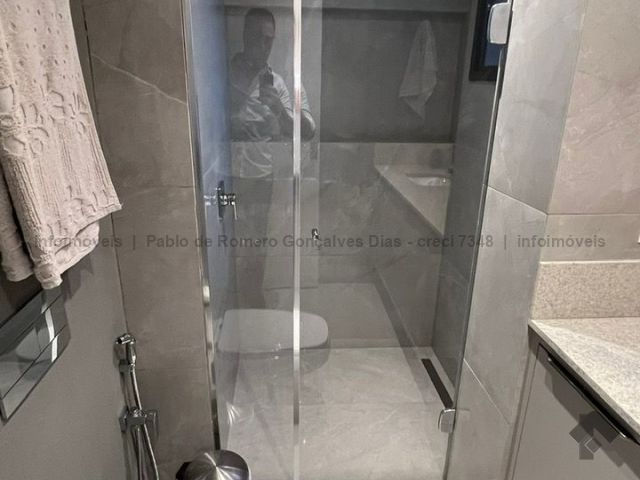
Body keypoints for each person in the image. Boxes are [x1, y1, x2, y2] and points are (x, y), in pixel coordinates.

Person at [229, 8, 316, 142]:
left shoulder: (279, 83)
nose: (262, 46)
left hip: (266, 155)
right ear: (246, 36)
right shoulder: (225, 76)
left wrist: (279, 111)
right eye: (257, 37)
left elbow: (306, 134)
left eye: (268, 40)